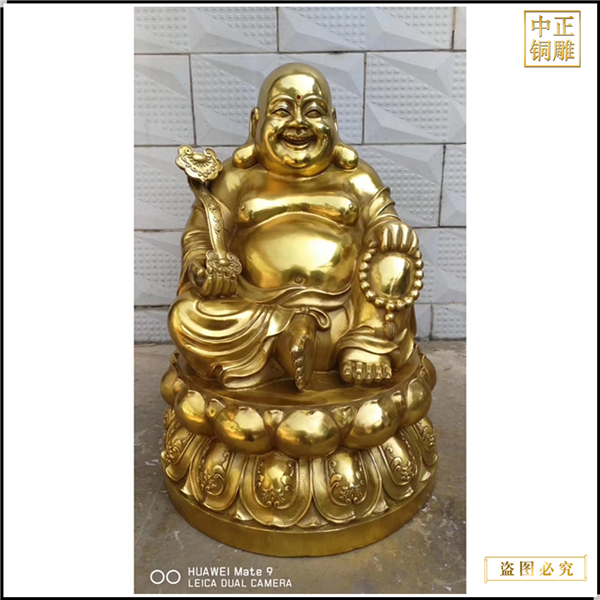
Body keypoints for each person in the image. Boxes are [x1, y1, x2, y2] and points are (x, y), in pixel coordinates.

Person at [168, 63, 422, 391]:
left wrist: (390, 229)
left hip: (347, 315)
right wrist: (203, 265)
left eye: (313, 111)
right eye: (282, 111)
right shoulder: (234, 178)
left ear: (333, 122)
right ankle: (283, 342)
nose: (298, 124)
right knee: (185, 315)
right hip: (255, 311)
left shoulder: (357, 178)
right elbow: (201, 235)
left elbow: (384, 218)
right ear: (256, 122)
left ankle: (366, 347)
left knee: (396, 261)